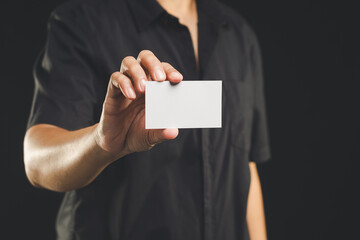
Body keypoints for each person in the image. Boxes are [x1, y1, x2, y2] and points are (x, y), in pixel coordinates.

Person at [24, 0, 271, 239]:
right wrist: (100, 142)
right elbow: (36, 162)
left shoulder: (238, 35)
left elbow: (245, 168)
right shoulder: (82, 21)